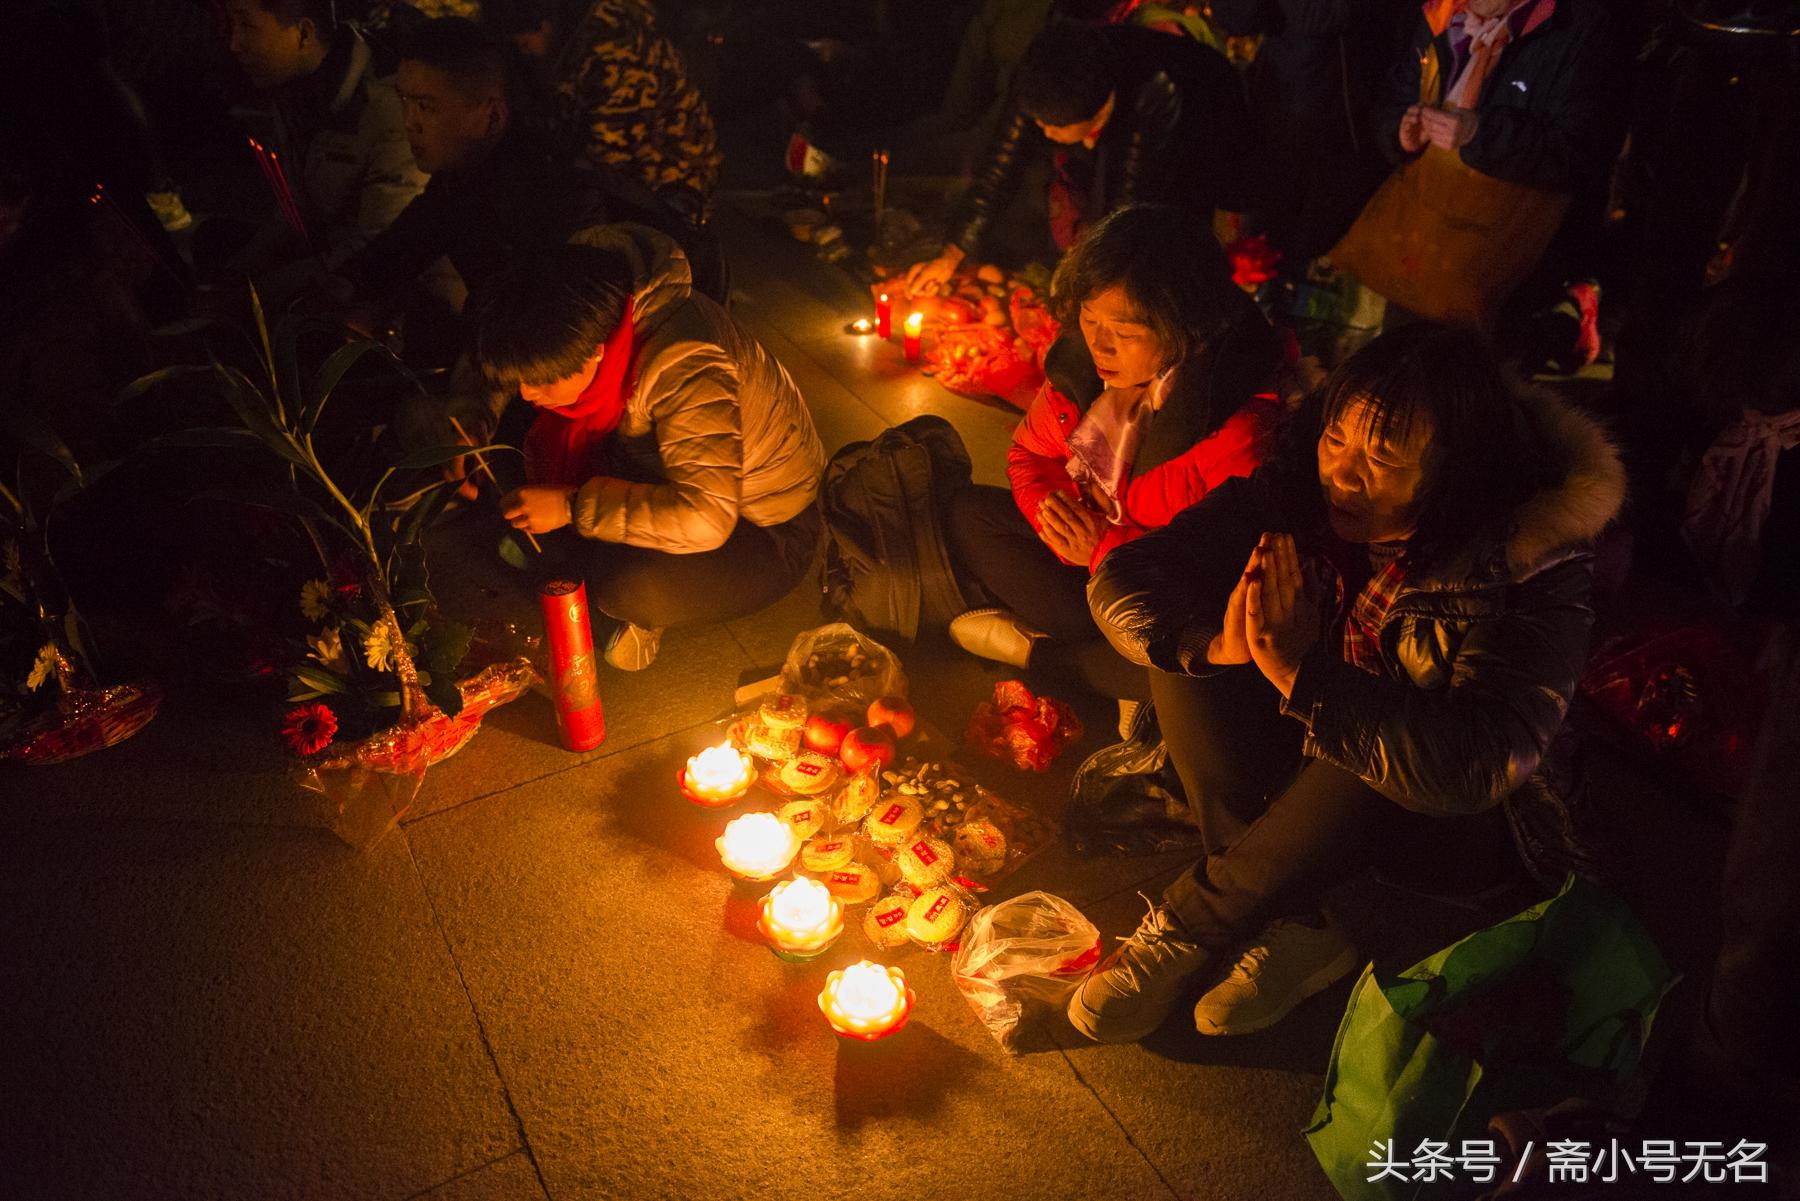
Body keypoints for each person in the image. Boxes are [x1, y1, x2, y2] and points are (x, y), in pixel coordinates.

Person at [1070, 323, 1625, 1043]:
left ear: (1457, 466)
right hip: (1316, 749)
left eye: (1383, 456)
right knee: (1195, 646)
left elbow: (1475, 761)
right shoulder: (1301, 485)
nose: (1346, 474)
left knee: (1375, 717)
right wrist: (1223, 643)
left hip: (1460, 824)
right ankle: (1298, 923)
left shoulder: (1527, 558)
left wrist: (1304, 675)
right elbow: (1132, 572)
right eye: (1338, 440)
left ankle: (1195, 923)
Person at [944, 203, 1285, 725]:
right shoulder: (1085, 371)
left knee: (1196, 665)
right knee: (970, 514)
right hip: (1084, 568)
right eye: (1089, 318)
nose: (1099, 344)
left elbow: (1221, 573)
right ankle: (1102, 668)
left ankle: (1040, 655)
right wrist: (1053, 516)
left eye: (1124, 332)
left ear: (1184, 327)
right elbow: (1029, 455)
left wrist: (1103, 546)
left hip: (1160, 600)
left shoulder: (1237, 428)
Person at [471, 225, 826, 671]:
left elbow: (706, 519)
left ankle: (589, 589)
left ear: (597, 351)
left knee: (629, 590)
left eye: (542, 379)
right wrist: (478, 414)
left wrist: (571, 506)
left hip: (763, 527)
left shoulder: (685, 365)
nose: (526, 390)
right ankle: (535, 541)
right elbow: (515, 357)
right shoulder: (576, 293)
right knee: (510, 449)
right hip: (656, 471)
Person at [330, 17, 719, 343]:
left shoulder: (549, 194)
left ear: (492, 117)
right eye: (405, 102)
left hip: (674, 332)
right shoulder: (467, 173)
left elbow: (557, 332)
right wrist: (344, 283)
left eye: (426, 106)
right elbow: (412, 238)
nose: (409, 122)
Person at [900, 20, 1258, 296]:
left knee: (1171, 242)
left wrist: (1089, 277)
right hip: (1117, 110)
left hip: (1210, 122)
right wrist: (951, 253)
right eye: (1039, 123)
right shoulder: (1042, 74)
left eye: (1055, 128)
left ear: (1099, 114)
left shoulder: (1155, 94)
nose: (1044, 133)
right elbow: (999, 168)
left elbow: (1127, 206)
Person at [217, 0, 427, 301]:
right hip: (332, 259)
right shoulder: (294, 90)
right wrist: (236, 274)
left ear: (304, 33)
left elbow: (378, 246)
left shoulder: (386, 105)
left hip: (385, 292)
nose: (234, 44)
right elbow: (295, 211)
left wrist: (255, 294)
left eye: (247, 25)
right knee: (215, 243)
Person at [486, 0, 721, 222]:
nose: (524, 51)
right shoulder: (587, 46)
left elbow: (610, 156)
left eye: (524, 41)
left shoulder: (620, 52)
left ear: (546, 25)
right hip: (638, 183)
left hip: (668, 193)